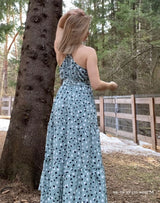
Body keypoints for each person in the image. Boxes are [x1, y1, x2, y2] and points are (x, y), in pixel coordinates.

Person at [38, 9, 118, 203]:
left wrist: (66, 16)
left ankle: (58, 194)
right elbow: (96, 84)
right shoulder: (88, 52)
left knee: (62, 147)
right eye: (86, 29)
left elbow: (58, 27)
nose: (88, 33)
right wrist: (111, 85)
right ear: (80, 31)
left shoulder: (60, 49)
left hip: (63, 102)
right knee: (82, 148)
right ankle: (81, 194)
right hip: (81, 104)